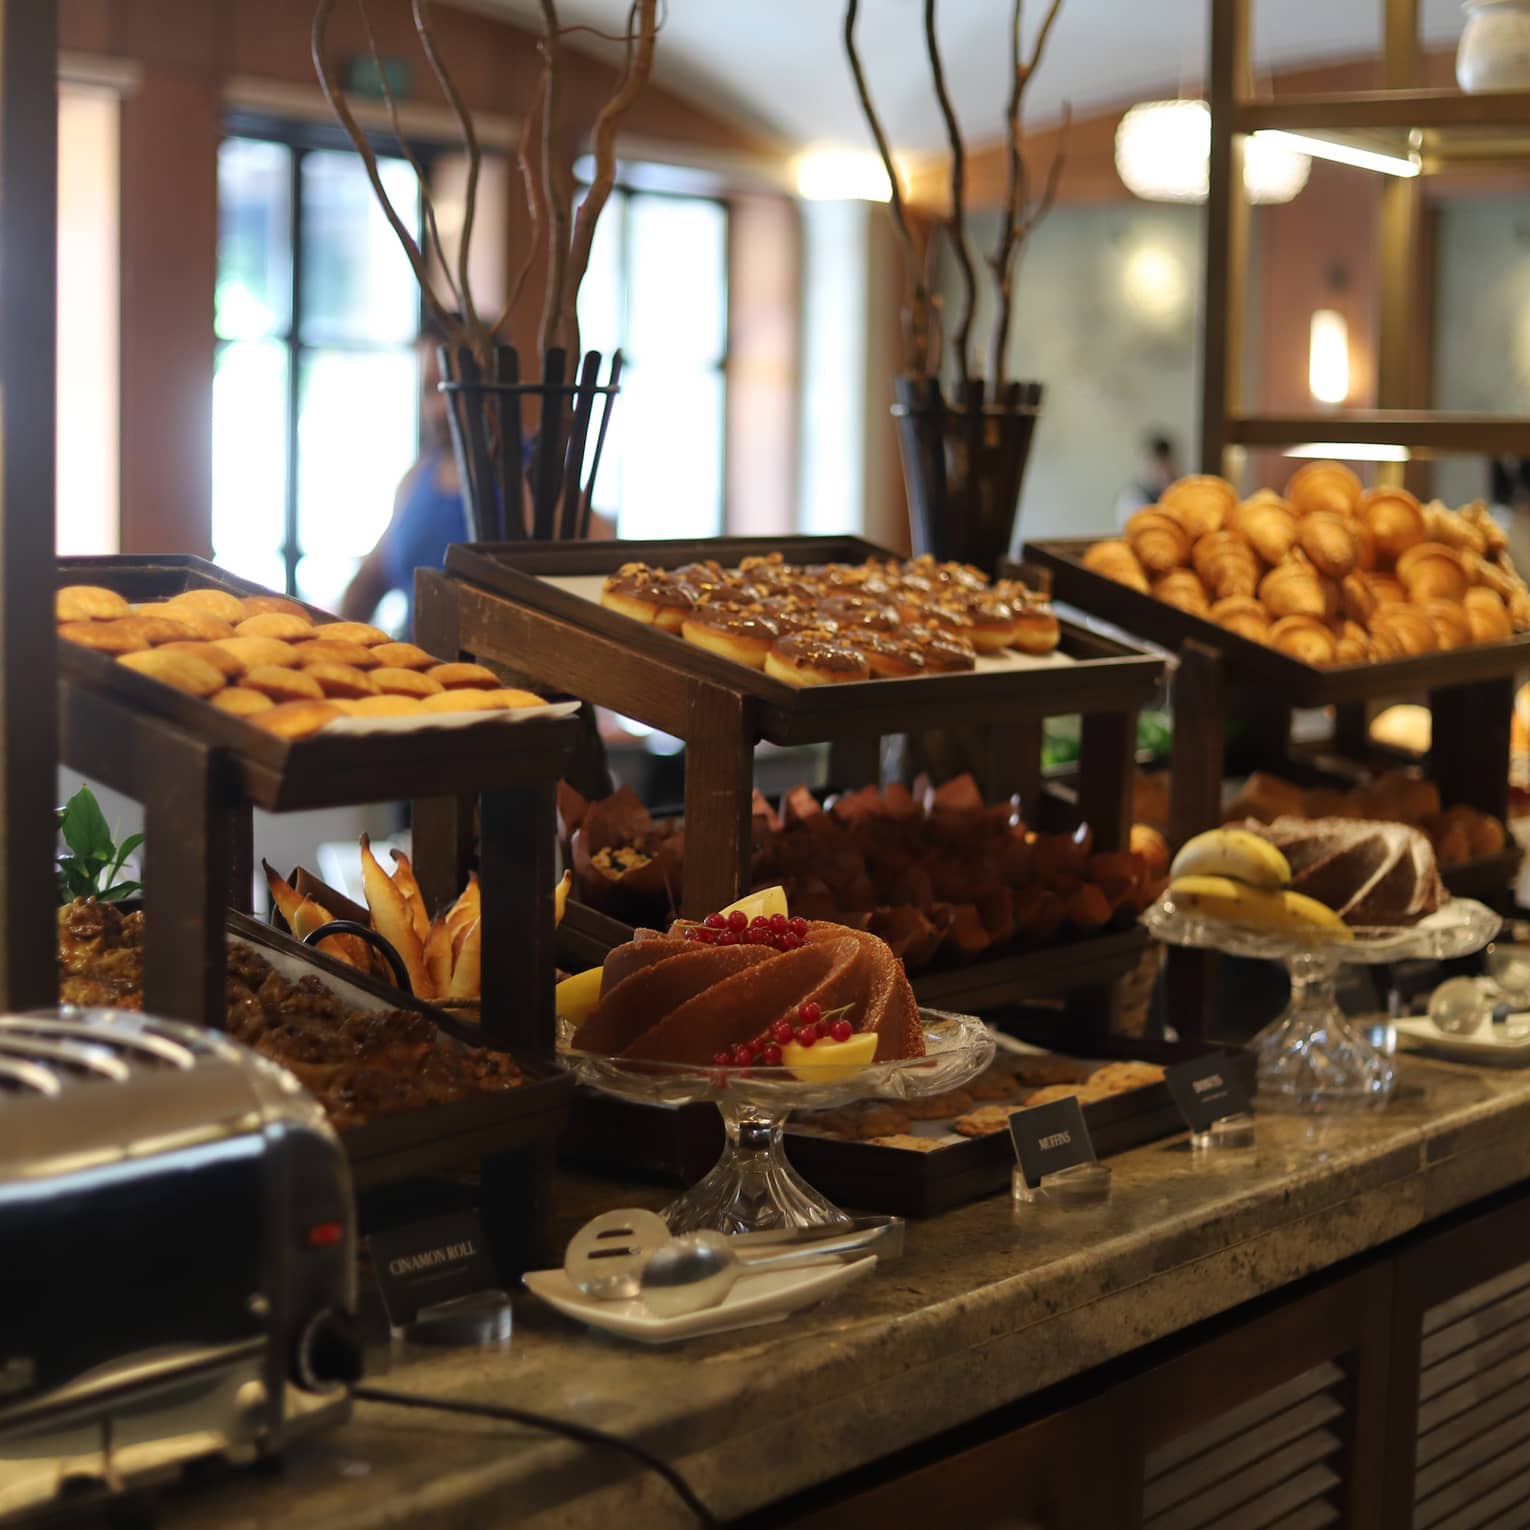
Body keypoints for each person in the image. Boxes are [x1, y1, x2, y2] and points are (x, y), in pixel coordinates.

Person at [340, 323, 465, 632]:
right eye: (429, 390)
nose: (439, 408)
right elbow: (369, 583)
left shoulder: (534, 487)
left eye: (452, 389)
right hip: (414, 673)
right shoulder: (418, 478)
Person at [1115, 432, 1180, 526]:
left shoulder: (1179, 491)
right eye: (1157, 466)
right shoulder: (1131, 498)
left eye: (1167, 464)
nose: (1163, 472)